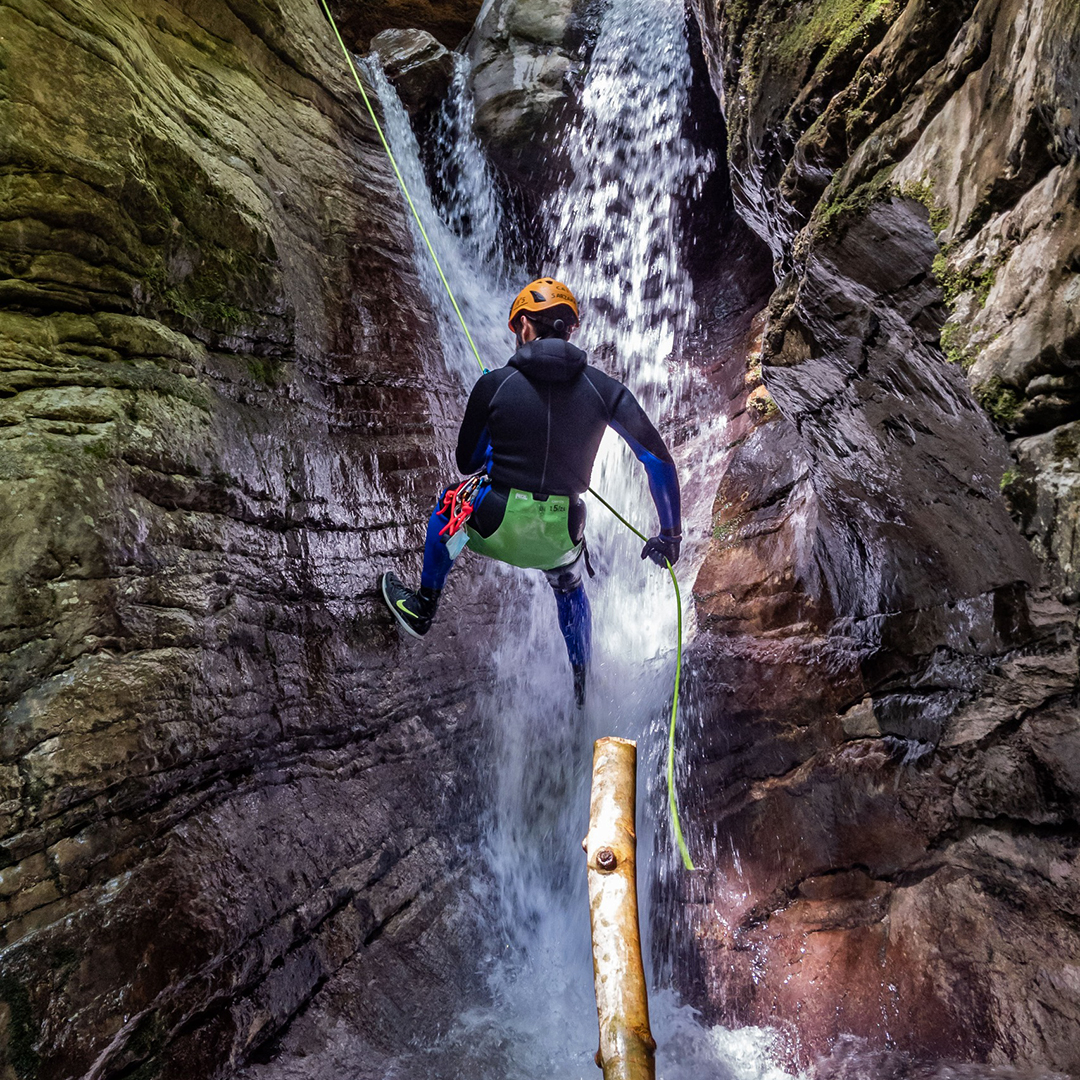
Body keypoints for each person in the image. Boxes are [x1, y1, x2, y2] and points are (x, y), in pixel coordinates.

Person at [380, 278, 681, 706]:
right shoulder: (606, 390)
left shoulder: (495, 384)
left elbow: (468, 461)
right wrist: (671, 536)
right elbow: (657, 460)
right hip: (559, 535)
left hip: (493, 522)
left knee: (449, 505)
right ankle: (582, 681)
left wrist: (495, 427)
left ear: (524, 325)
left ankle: (422, 606)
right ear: (569, 329)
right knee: (570, 583)